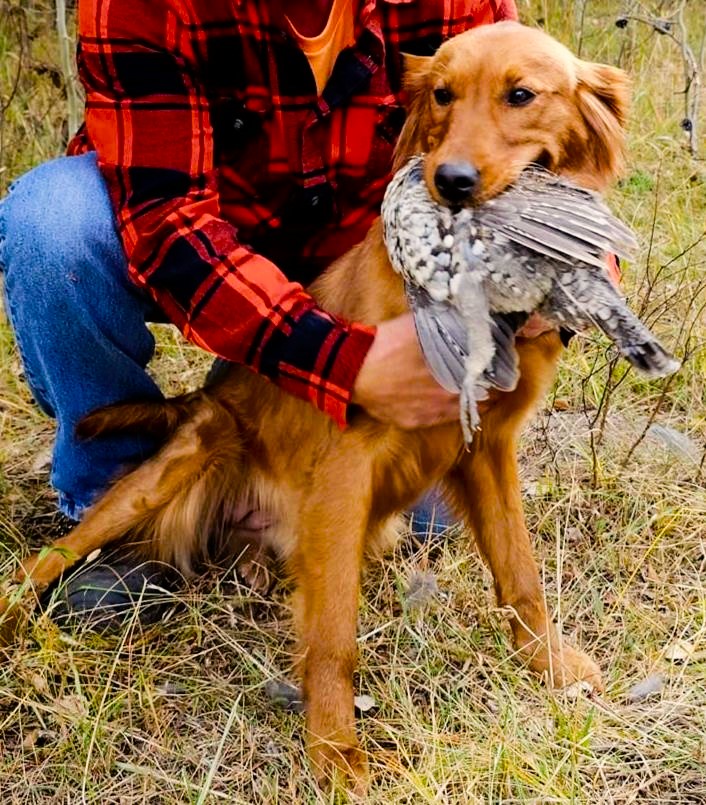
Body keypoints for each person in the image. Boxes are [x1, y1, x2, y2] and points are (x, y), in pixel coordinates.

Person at [0, 0, 521, 624]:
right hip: (206, 248)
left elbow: (547, 145)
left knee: (427, 517)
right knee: (52, 223)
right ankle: (115, 503)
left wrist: (559, 290)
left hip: (358, 269)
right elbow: (169, 226)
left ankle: (287, 459)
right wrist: (345, 365)